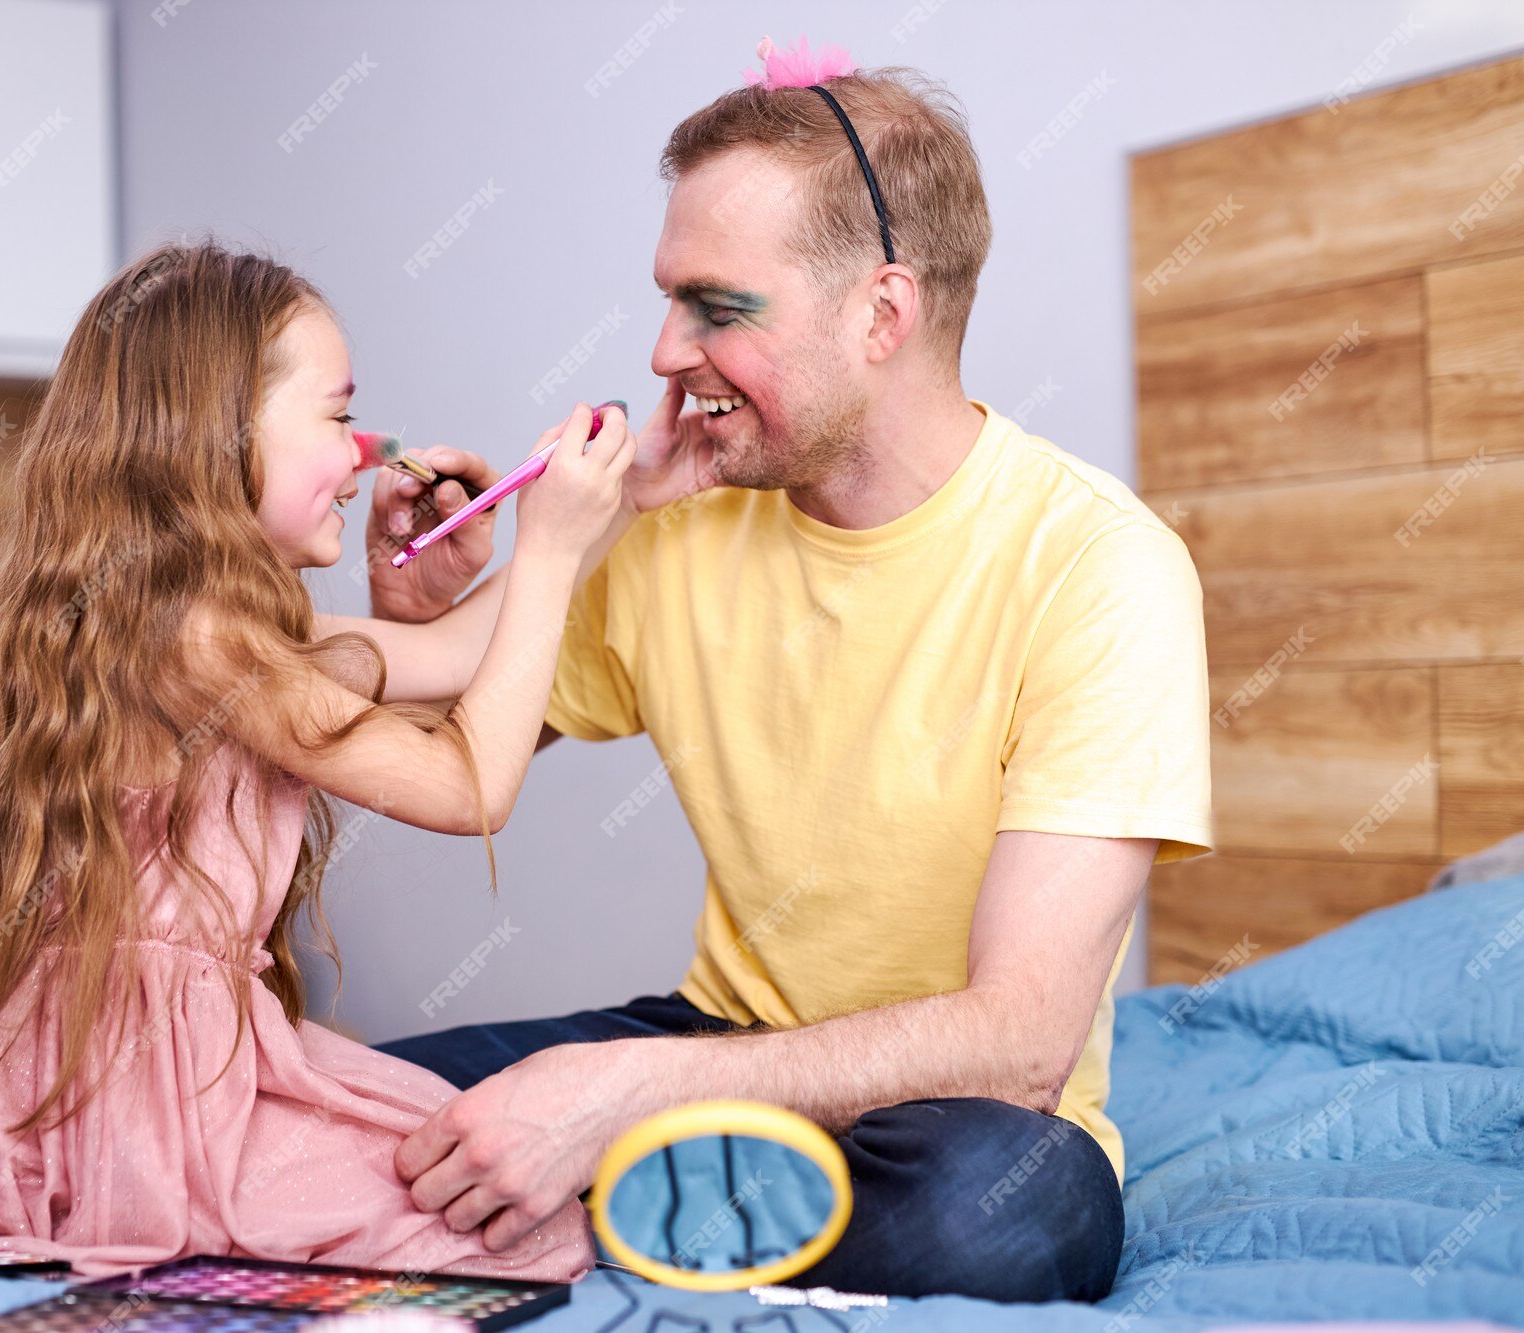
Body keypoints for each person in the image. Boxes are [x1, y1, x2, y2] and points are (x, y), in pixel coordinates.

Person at [362, 40, 1214, 1302]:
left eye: (715, 307)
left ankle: (606, 1201)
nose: (661, 352)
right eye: (666, 300)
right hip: (717, 1040)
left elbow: (1020, 1041)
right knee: (352, 1108)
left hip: (943, 1113)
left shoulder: (1100, 569)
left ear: (881, 314)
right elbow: (438, 738)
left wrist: (614, 1097)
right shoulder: (685, 519)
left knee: (1002, 1220)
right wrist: (431, 599)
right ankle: (662, 1213)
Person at [0, 241, 632, 1281]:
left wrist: (620, 503)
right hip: (129, 1088)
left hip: (145, 1060)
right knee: (493, 1219)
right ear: (215, 435)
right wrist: (552, 547)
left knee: (467, 1163)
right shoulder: (200, 638)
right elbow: (469, 786)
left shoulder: (204, 619)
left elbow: (447, 654)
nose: (361, 456)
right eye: (340, 418)